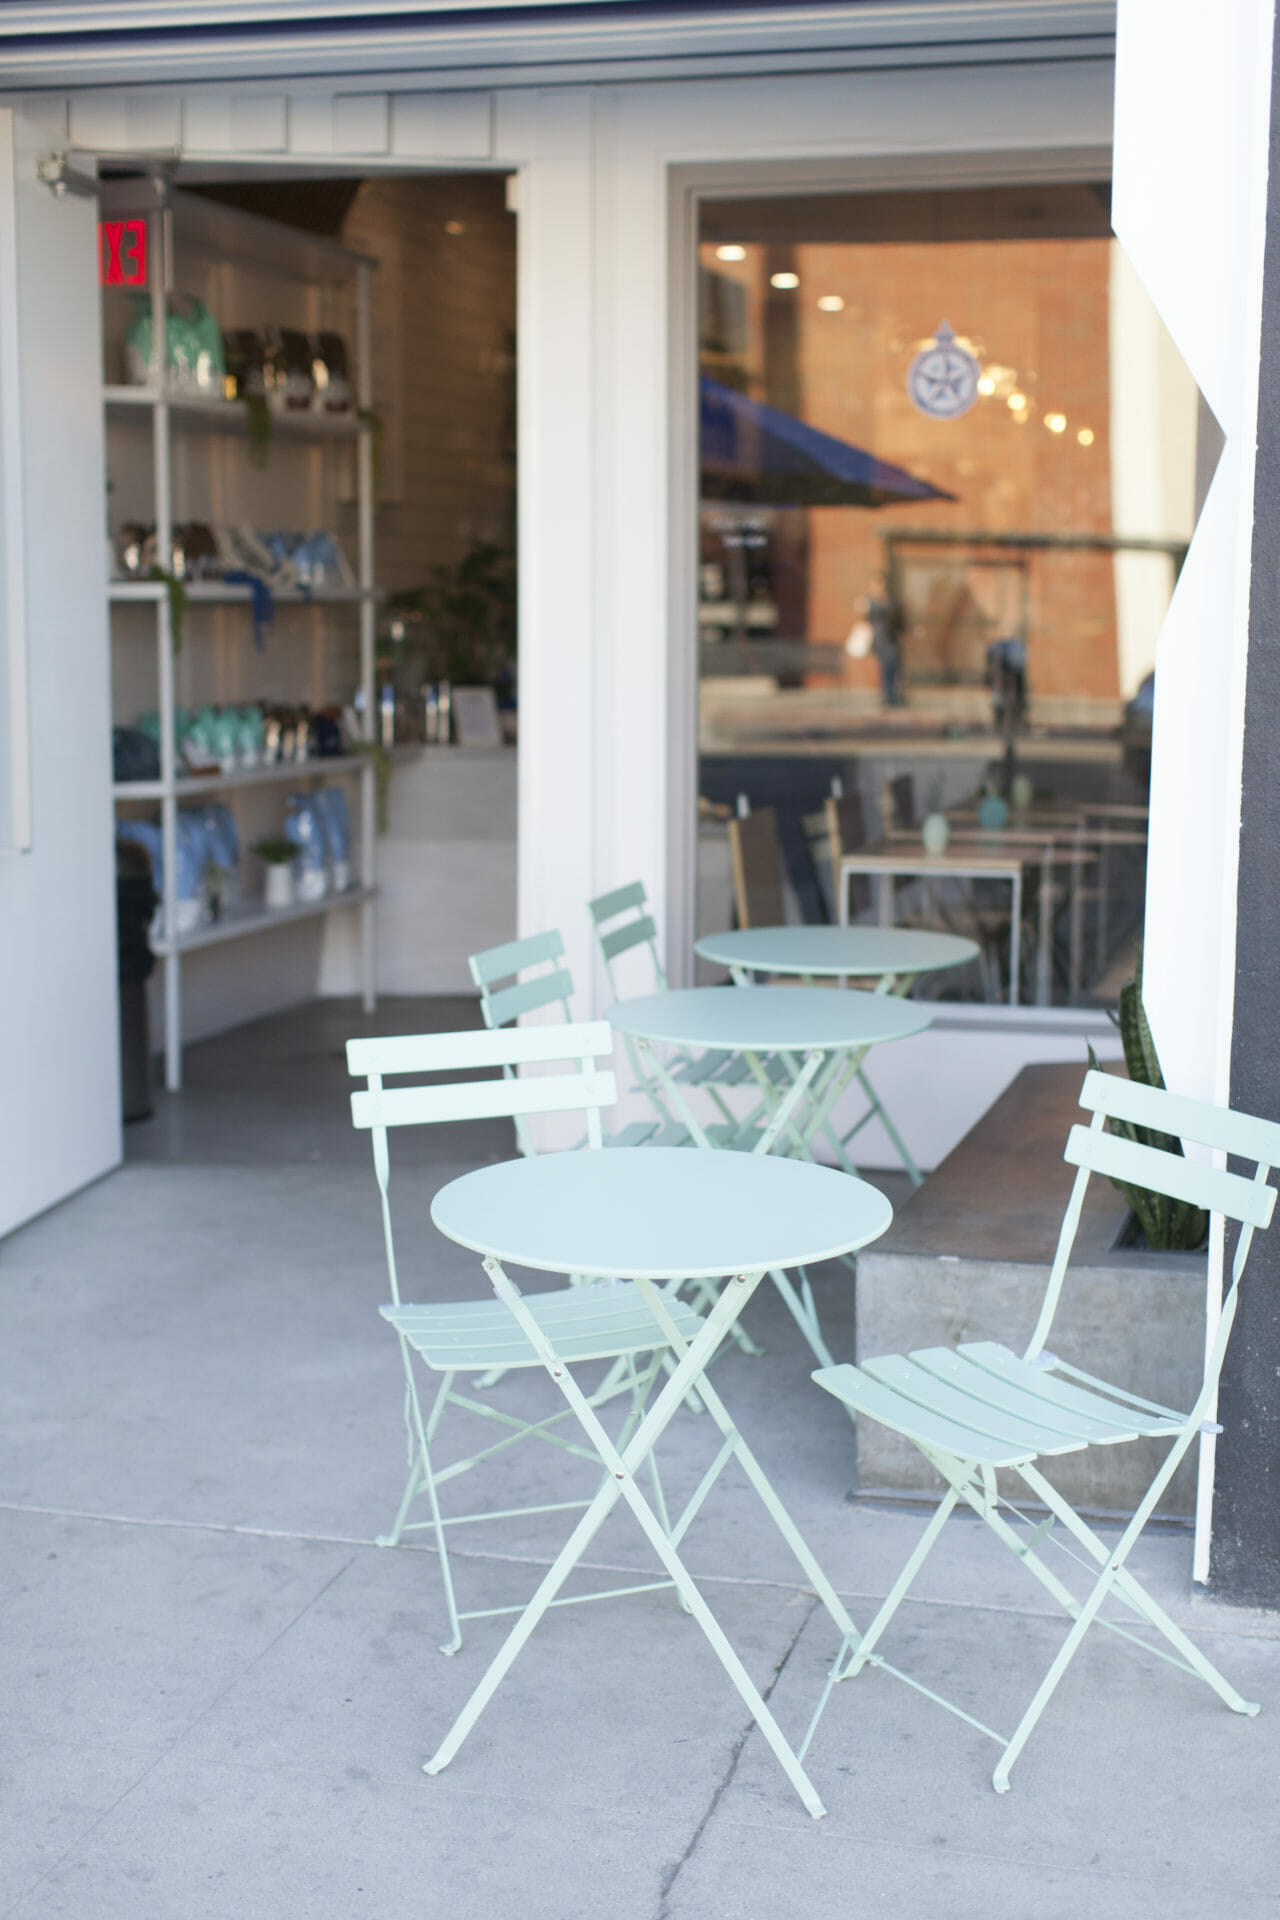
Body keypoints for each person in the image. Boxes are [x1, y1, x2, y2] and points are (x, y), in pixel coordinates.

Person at [847, 572, 904, 706]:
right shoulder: (867, 602)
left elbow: (899, 621)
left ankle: (892, 695)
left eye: (880, 584)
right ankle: (888, 696)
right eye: (875, 584)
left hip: (891, 638)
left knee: (892, 667)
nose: (878, 587)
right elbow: (861, 620)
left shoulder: (892, 601)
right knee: (885, 667)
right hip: (877, 639)